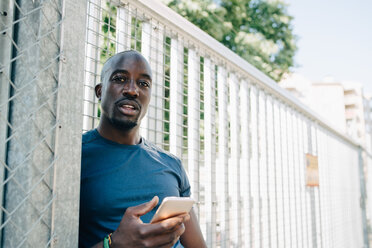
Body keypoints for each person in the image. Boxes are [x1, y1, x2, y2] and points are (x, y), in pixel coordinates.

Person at [79, 50, 207, 248]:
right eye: (120, 79)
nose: (132, 90)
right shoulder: (75, 156)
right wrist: (113, 245)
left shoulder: (171, 164)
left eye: (143, 84)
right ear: (99, 91)